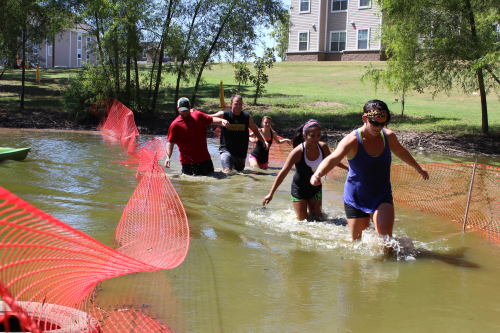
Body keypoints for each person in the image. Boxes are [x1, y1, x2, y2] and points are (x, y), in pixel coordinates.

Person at [310, 100, 429, 241]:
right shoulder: (352, 140)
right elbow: (332, 159)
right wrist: (317, 174)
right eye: (375, 123)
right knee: (358, 244)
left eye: (383, 124)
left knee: (386, 241)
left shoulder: (388, 137)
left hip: (381, 195)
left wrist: (418, 168)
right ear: (364, 119)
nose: (379, 127)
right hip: (355, 197)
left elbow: (401, 152)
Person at [262, 120, 349, 220]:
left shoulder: (323, 147)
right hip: (299, 190)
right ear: (304, 136)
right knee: (302, 221)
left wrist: (349, 168)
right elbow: (283, 172)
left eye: (318, 135)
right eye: (312, 136)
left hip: (315, 189)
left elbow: (334, 160)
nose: (316, 138)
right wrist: (271, 193)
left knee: (318, 218)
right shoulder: (297, 152)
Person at [164, 97, 229, 175]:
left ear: (190, 107)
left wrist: (222, 121)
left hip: (205, 160)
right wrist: (168, 157)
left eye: (186, 109)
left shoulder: (198, 115)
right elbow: (170, 142)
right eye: (182, 110)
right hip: (188, 163)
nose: (185, 112)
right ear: (178, 108)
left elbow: (211, 119)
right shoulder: (175, 125)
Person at [212, 95, 269, 172]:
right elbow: (208, 118)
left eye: (240, 104)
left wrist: (264, 141)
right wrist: (221, 121)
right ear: (231, 104)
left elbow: (256, 129)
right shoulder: (224, 115)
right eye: (236, 104)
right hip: (226, 150)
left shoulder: (247, 117)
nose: (238, 106)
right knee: (227, 171)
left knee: (238, 174)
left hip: (241, 153)